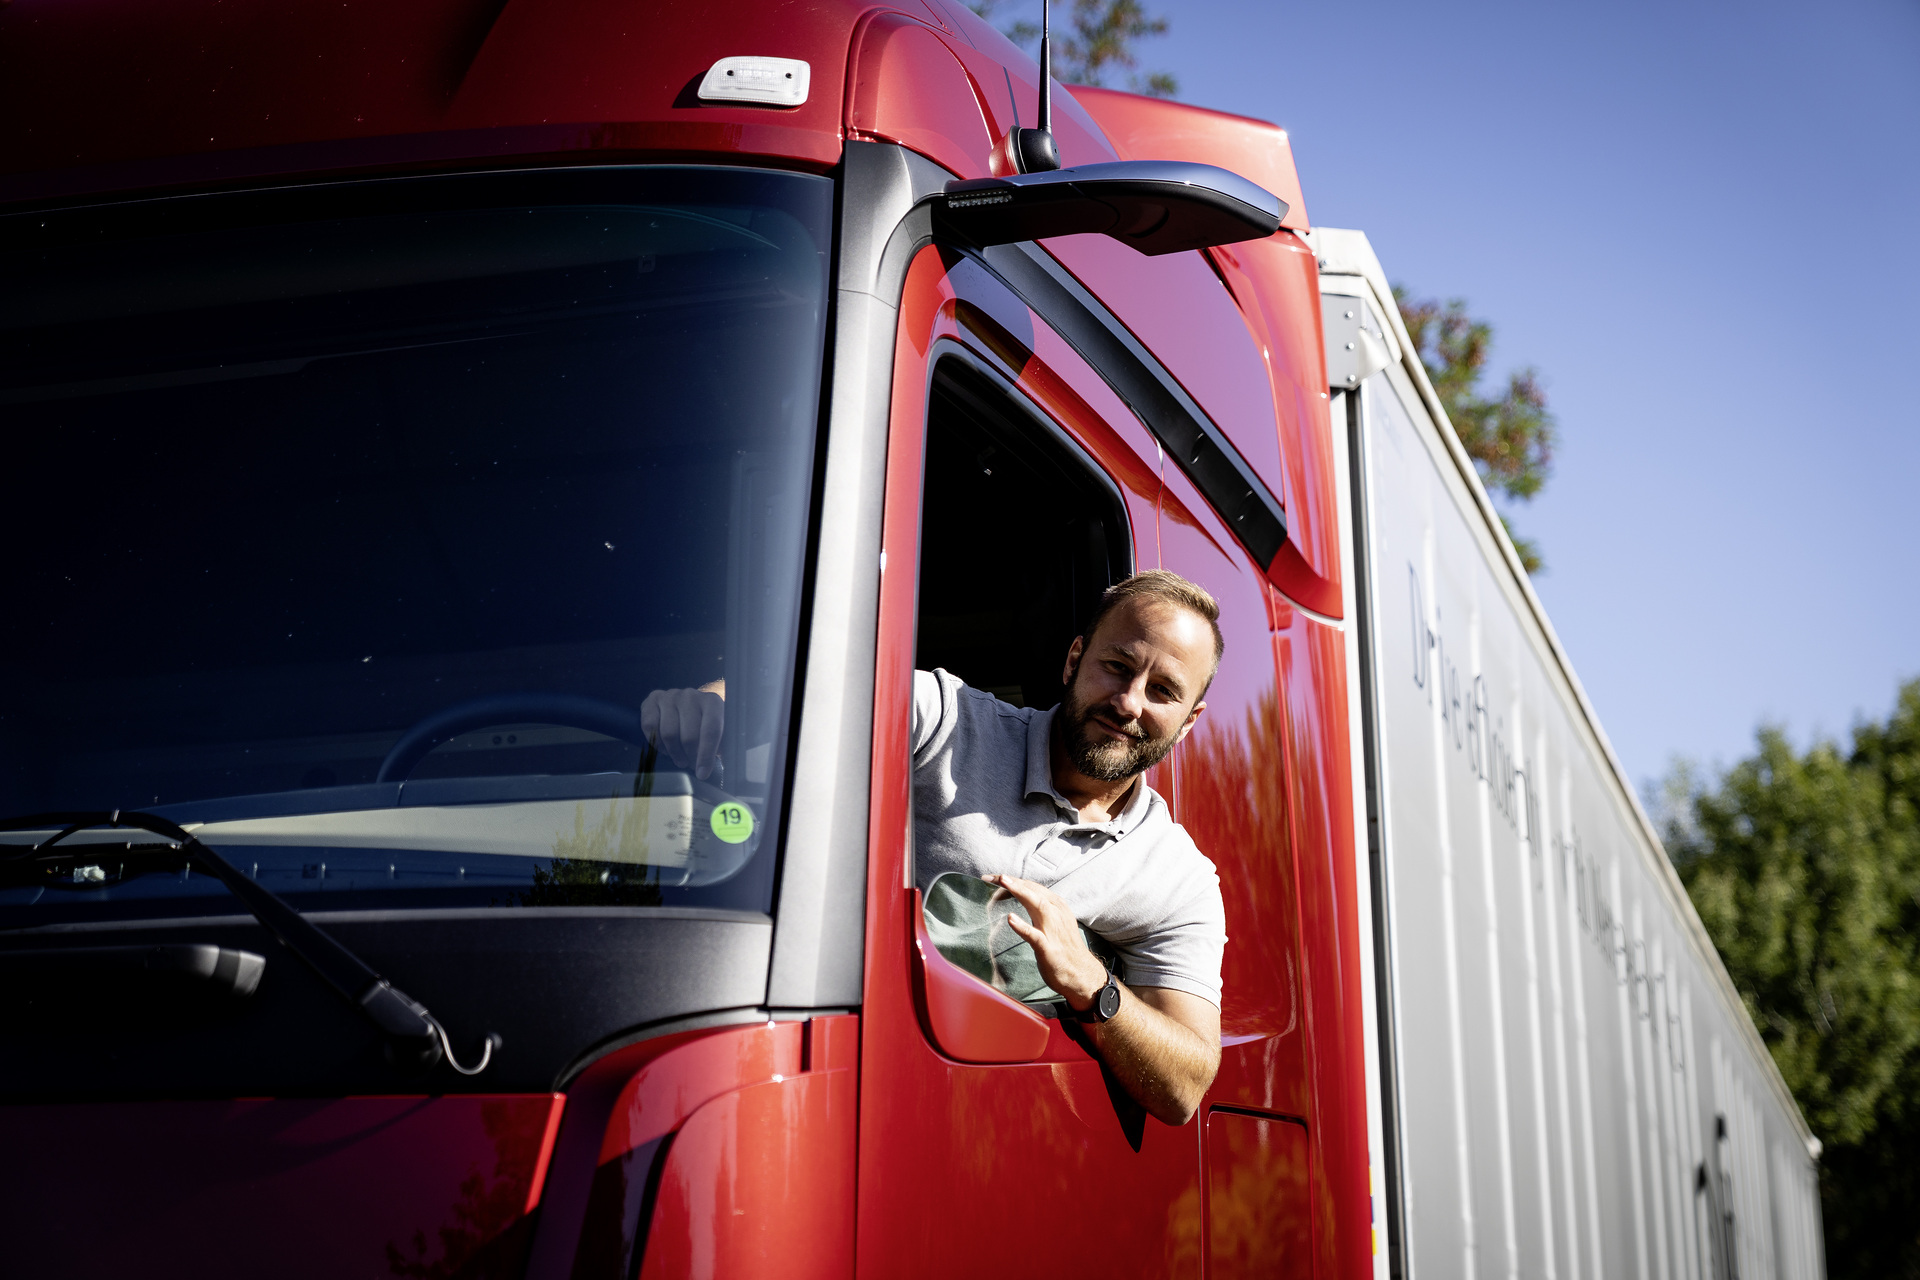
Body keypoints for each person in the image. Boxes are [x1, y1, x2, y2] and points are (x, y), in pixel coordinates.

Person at [642, 569, 1227, 1125]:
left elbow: (1184, 1088)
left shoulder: (1180, 880)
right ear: (1075, 660)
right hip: (828, 1071)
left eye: (1163, 691)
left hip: (993, 1138)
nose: (1129, 702)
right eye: (1117, 666)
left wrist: (1090, 984)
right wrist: (711, 706)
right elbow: (800, 694)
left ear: (1190, 719)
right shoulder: (944, 718)